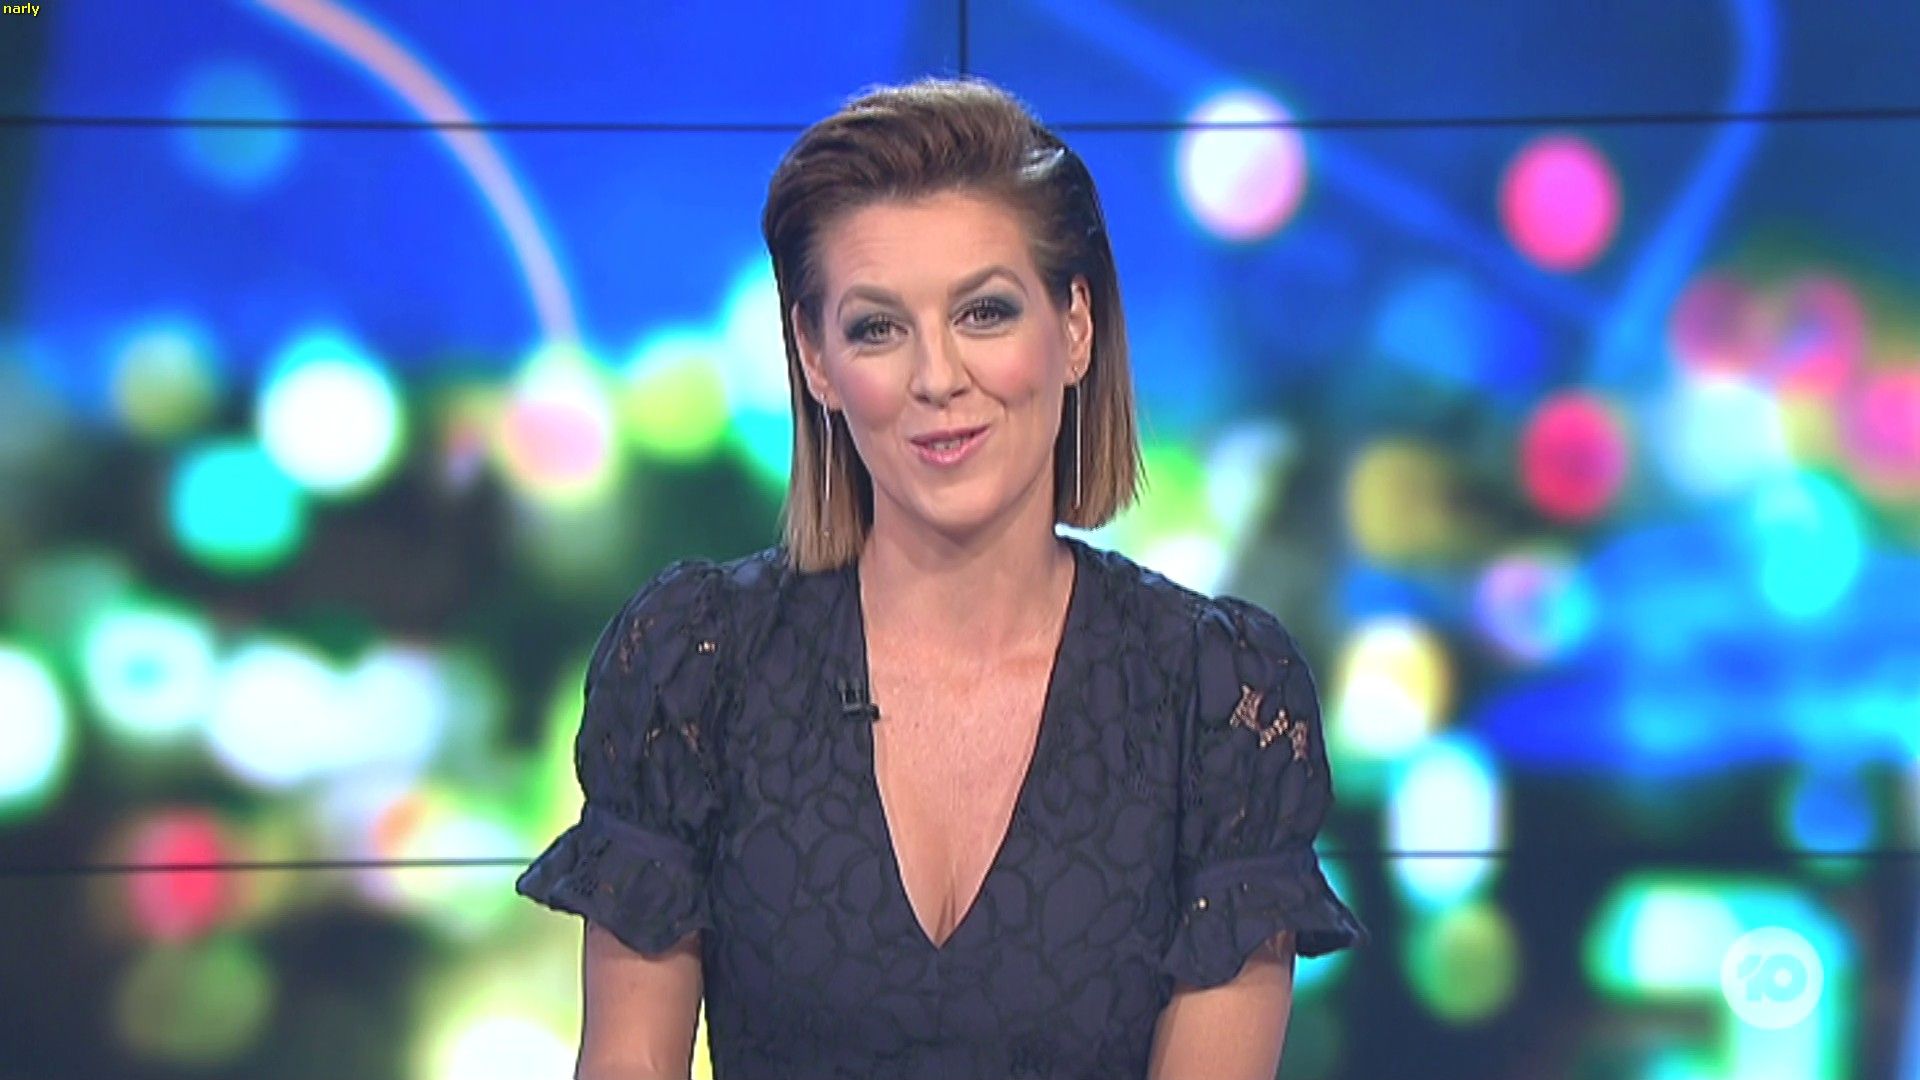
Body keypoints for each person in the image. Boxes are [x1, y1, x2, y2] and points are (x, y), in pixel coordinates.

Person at [516, 75, 1368, 1080]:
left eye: (985, 312)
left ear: (1076, 327)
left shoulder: (1216, 702)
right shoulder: (695, 669)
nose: (936, 378)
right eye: (877, 327)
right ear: (816, 358)